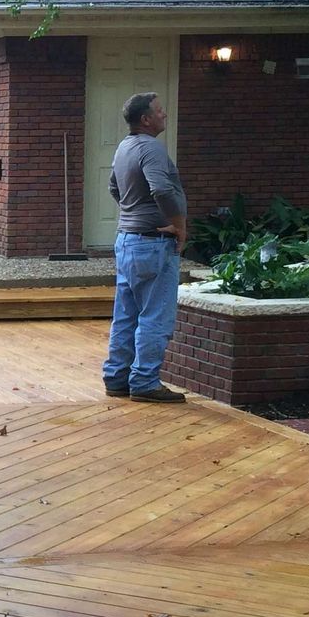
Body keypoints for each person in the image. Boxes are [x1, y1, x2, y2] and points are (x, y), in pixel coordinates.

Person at [103, 92, 187, 402]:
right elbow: (162, 188)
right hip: (153, 244)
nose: (165, 115)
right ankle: (145, 383)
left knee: (126, 315)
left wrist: (133, 212)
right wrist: (178, 225)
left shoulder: (125, 147)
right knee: (155, 316)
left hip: (127, 241)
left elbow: (114, 187)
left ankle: (116, 378)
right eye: (160, 111)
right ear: (146, 119)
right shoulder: (151, 148)